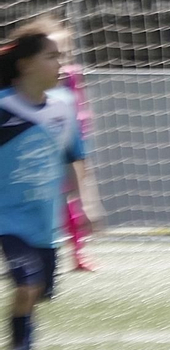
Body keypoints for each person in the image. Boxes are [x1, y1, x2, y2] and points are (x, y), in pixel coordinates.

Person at [0, 23, 93, 350]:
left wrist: (87, 205)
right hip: (7, 223)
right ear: (25, 64)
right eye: (52, 56)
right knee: (26, 285)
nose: (61, 63)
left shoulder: (63, 106)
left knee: (32, 297)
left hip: (43, 227)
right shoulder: (3, 107)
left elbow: (72, 158)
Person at [49, 22, 97, 272]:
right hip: (46, 143)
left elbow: (79, 105)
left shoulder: (71, 75)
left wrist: (82, 127)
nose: (58, 60)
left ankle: (78, 252)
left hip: (71, 142)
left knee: (74, 198)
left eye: (62, 52)